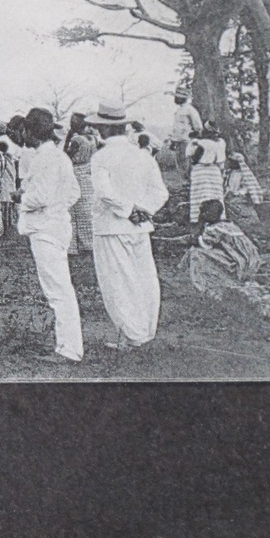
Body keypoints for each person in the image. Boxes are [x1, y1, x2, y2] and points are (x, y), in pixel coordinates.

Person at [87, 100, 169, 351]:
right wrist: (143, 210)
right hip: (139, 227)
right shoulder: (142, 155)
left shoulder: (101, 157)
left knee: (118, 282)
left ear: (104, 130)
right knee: (144, 278)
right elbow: (160, 193)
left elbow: (104, 192)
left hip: (113, 226)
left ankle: (132, 335)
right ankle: (144, 330)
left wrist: (129, 210)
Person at [18, 107, 84, 363]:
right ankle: (67, 345)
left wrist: (21, 198)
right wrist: (57, 207)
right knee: (60, 288)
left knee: (58, 290)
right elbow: (73, 193)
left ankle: (69, 349)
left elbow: (41, 197)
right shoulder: (59, 157)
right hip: (56, 225)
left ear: (31, 131)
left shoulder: (45, 158)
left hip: (46, 228)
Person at [181, 198, 261, 296]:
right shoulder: (228, 225)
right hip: (249, 260)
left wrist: (200, 224)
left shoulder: (213, 229)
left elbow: (203, 244)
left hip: (237, 262)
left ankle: (202, 286)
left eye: (203, 212)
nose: (201, 215)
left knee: (195, 252)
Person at [63, 113, 97, 254]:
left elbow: (66, 154)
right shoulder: (92, 138)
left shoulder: (76, 139)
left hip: (76, 172)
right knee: (87, 208)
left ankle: (74, 244)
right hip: (88, 172)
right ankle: (88, 243)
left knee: (74, 208)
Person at [187, 123, 227, 223]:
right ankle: (218, 218)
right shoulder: (220, 143)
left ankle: (197, 219)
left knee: (199, 196)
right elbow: (221, 162)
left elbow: (191, 157)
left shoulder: (196, 143)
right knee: (216, 195)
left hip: (199, 171)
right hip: (214, 171)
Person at [168, 91, 203, 172]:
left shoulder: (190, 110)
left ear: (183, 98)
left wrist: (192, 137)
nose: (175, 99)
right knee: (180, 162)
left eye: (177, 97)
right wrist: (173, 141)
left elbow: (198, 126)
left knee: (187, 162)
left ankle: (190, 181)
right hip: (178, 140)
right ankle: (185, 181)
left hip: (186, 140)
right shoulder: (179, 110)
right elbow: (177, 127)